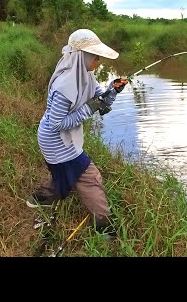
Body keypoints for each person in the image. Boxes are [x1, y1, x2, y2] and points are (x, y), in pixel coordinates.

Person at [26, 28, 127, 238]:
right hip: (55, 141)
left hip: (61, 140)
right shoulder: (65, 85)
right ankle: (104, 227)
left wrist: (113, 90)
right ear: (82, 56)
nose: (98, 60)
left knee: (65, 174)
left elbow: (103, 104)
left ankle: (40, 198)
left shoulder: (86, 76)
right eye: (94, 56)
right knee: (91, 177)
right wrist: (89, 108)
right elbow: (56, 124)